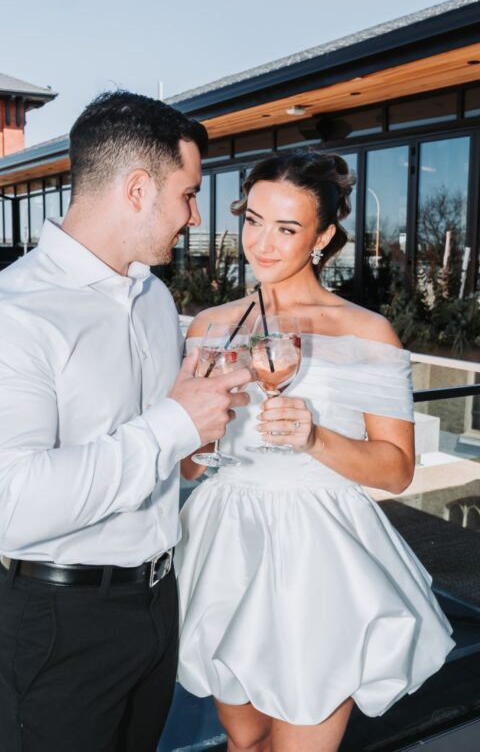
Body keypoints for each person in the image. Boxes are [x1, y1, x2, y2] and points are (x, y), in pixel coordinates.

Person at [176, 150, 455, 752]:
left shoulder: (364, 331)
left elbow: (398, 469)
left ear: (324, 236)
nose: (263, 243)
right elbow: (188, 463)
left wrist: (314, 438)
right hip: (227, 544)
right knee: (242, 739)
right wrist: (196, 437)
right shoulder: (210, 327)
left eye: (287, 228)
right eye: (253, 220)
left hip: (318, 557)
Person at [0, 90, 252, 752]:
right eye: (188, 195)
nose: (194, 216)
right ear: (138, 190)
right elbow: (14, 503)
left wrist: (198, 431)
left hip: (158, 605)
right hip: (60, 625)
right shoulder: (15, 314)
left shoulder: (154, 297)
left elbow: (163, 455)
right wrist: (174, 423)